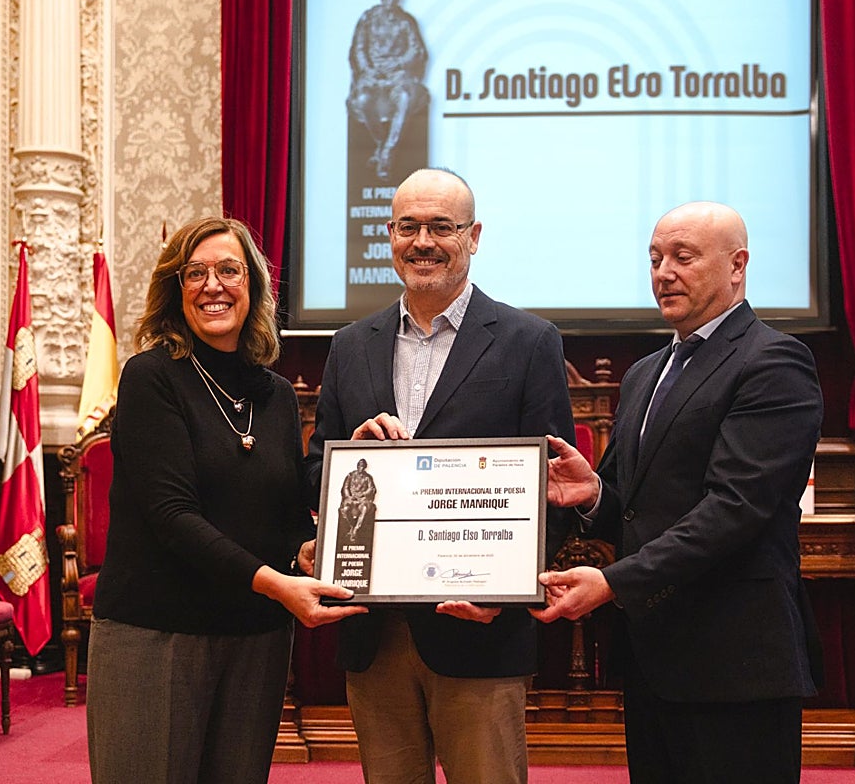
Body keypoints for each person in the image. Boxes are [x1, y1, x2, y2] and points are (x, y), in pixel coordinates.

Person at [301, 167, 579, 784]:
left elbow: (555, 486)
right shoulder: (350, 345)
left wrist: (506, 589)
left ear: (473, 236)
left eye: (441, 227)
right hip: (374, 633)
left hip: (478, 632)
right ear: (389, 235)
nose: (422, 242)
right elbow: (318, 467)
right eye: (408, 227)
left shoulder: (529, 341)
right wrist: (352, 459)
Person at [533, 201, 824, 784]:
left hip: (736, 661)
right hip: (654, 658)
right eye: (655, 259)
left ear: (737, 265)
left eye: (683, 257)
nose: (664, 273)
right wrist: (593, 495)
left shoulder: (774, 361)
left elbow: (734, 509)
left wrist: (613, 582)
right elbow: (636, 509)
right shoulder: (646, 372)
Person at [86, 217, 365, 784]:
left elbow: (286, 515)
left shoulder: (277, 394)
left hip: (256, 638)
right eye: (196, 273)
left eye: (229, 270)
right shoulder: (150, 378)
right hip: (157, 636)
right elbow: (173, 517)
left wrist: (307, 550)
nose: (213, 285)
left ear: (253, 285)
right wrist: (277, 584)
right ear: (176, 289)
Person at [347, 0, 430, 180]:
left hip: (397, 75)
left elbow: (416, 50)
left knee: (404, 98)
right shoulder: (368, 18)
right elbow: (358, 49)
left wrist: (399, 63)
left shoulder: (406, 21)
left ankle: (387, 153)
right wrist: (367, 69)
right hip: (372, 76)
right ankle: (382, 143)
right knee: (362, 100)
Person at [339, 458, 377, 543]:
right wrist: (349, 496)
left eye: (363, 466)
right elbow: (345, 487)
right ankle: (352, 526)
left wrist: (363, 494)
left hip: (362, 499)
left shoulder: (368, 477)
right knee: (345, 509)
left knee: (364, 509)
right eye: (359, 466)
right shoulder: (350, 475)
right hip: (351, 498)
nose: (361, 468)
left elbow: (371, 488)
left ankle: (356, 529)